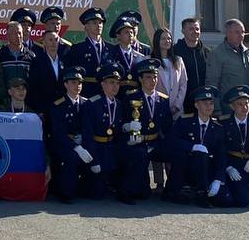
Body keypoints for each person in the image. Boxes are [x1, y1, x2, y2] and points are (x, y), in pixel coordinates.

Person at [164, 85, 226, 206]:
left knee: (226, 200)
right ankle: (200, 194)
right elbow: (171, 140)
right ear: (196, 105)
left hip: (207, 171)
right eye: (205, 103)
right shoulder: (185, 122)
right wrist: (191, 146)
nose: (209, 106)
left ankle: (202, 190)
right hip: (185, 167)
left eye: (211, 103)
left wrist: (219, 179)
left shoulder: (218, 128)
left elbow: (221, 155)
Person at [116, 60, 166, 202]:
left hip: (155, 141)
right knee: (137, 154)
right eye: (148, 77)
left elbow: (167, 127)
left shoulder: (163, 100)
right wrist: (127, 127)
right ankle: (126, 191)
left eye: (155, 77)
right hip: (136, 141)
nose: (153, 80)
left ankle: (173, 190)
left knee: (177, 153)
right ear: (140, 79)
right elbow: (121, 122)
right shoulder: (131, 97)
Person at [47, 67, 94, 203]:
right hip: (63, 144)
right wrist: (76, 146)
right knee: (71, 157)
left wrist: (84, 142)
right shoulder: (58, 105)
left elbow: (89, 128)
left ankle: (85, 188)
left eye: (79, 83)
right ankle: (66, 193)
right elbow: (58, 133)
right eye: (73, 82)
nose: (77, 86)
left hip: (82, 142)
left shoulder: (86, 103)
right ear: (66, 84)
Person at [82, 65, 123, 200]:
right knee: (96, 193)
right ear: (103, 84)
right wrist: (94, 161)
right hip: (97, 148)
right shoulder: (92, 104)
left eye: (117, 83)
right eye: (111, 83)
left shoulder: (119, 104)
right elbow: (88, 134)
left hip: (112, 148)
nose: (115, 86)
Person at [205, 18, 249, 114]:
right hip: (227, 107)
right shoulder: (217, 53)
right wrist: (216, 108)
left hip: (246, 107)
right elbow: (212, 82)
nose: (241, 35)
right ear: (228, 33)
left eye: (243, 32)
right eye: (237, 32)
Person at [63, 8, 108, 100]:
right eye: (94, 23)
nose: (98, 25)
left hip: (106, 94)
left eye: (100, 23)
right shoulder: (77, 49)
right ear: (86, 26)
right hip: (86, 93)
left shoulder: (111, 49)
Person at [23, 26, 64, 116]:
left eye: (56, 40)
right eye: (50, 40)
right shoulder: (37, 61)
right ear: (44, 42)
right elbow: (34, 87)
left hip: (62, 108)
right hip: (44, 108)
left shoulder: (64, 60)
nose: (54, 43)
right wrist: (39, 109)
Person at [174, 17, 207, 115]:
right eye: (191, 29)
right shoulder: (174, 52)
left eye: (197, 29)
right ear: (183, 31)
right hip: (182, 103)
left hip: (203, 102)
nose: (195, 32)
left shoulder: (207, 52)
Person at [153, 28, 187, 119]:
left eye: (169, 38)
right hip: (156, 108)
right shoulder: (150, 60)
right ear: (157, 41)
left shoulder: (178, 61)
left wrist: (177, 105)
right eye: (163, 38)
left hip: (176, 110)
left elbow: (183, 85)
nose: (167, 41)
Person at [0, 21, 35, 91]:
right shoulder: (0, 55)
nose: (18, 36)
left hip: (25, 98)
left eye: (19, 33)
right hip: (5, 99)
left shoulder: (31, 56)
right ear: (8, 35)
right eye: (14, 33)